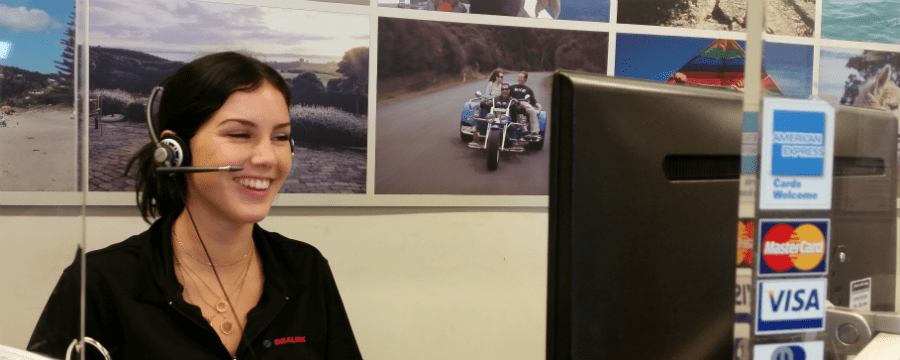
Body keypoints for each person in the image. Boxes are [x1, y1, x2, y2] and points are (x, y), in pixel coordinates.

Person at [27, 52, 362, 360]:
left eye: (280, 137)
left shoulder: (306, 269)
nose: (267, 158)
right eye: (239, 135)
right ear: (176, 149)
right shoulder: (97, 283)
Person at [508, 71, 541, 139]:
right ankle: (524, 132)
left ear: (525, 79)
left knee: (532, 110)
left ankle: (534, 132)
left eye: (521, 77)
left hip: (523, 102)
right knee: (517, 109)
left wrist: (537, 104)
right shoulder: (512, 87)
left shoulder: (528, 90)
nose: (520, 79)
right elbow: (506, 95)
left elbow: (533, 100)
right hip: (513, 102)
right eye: (519, 77)